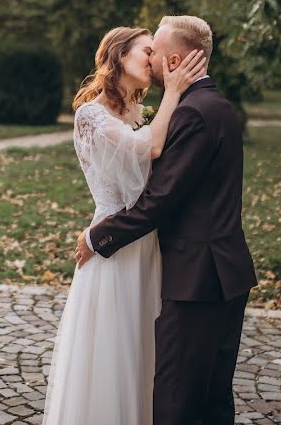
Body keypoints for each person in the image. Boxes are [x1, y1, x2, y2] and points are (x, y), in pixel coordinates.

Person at [75, 15, 258, 425]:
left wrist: (98, 237)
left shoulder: (192, 112)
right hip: (217, 270)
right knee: (211, 397)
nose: (152, 59)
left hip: (198, 277)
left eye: (156, 52)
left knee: (178, 400)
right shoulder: (215, 105)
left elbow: (160, 200)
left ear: (174, 61)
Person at [43, 24, 207, 425]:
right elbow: (150, 148)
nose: (152, 60)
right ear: (118, 57)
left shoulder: (137, 114)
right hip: (113, 246)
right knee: (113, 352)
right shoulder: (90, 115)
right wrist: (173, 91)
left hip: (146, 242)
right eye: (144, 51)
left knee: (144, 348)